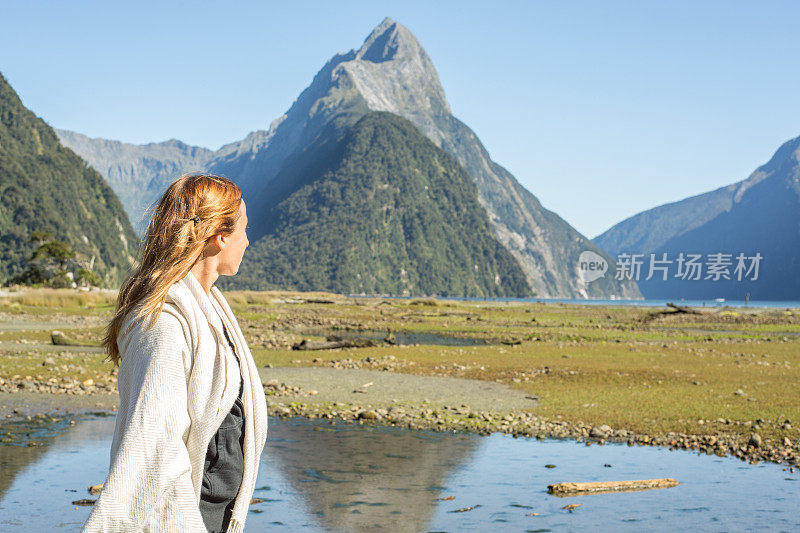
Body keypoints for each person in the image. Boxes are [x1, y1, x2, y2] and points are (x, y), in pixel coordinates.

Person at [82, 173, 268, 533]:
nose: (248, 240)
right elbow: (152, 450)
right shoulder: (163, 327)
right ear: (221, 236)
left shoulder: (209, 311)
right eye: (245, 228)